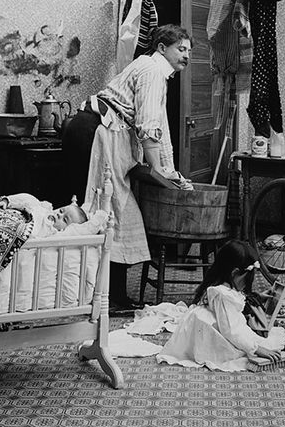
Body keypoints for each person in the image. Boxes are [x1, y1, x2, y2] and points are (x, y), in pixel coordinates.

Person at [61, 24, 195, 313]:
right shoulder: (151, 71)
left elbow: (161, 129)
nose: (186, 55)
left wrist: (168, 169)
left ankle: (108, 296)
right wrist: (158, 170)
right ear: (162, 48)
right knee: (106, 213)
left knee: (111, 214)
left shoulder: (156, 73)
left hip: (94, 132)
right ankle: (98, 297)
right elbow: (148, 128)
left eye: (188, 51)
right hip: (94, 133)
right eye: (180, 49)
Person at [158, 240, 285, 370]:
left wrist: (257, 297)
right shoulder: (223, 295)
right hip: (216, 336)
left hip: (215, 328)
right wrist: (257, 349)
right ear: (234, 273)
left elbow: (237, 301)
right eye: (246, 280)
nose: (245, 285)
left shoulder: (219, 283)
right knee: (268, 345)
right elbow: (231, 331)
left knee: (265, 339)